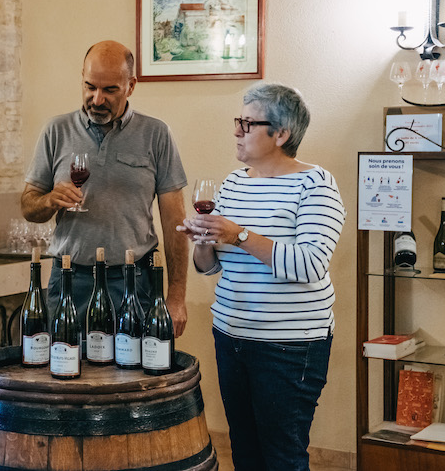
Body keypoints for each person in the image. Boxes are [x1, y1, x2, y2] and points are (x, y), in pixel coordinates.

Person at [178, 83, 346, 470]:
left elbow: (309, 264)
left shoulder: (315, 185)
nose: (236, 130)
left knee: (283, 455)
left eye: (247, 123)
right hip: (232, 336)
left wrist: (237, 233)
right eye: (238, 121)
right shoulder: (234, 183)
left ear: (281, 134)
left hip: (289, 346)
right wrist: (202, 240)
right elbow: (211, 267)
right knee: (245, 451)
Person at [22, 40, 189, 337]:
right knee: (68, 372)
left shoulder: (156, 134)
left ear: (131, 86)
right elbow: (28, 207)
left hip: (135, 278)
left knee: (136, 373)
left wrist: (176, 296)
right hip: (70, 279)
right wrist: (49, 200)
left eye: (110, 90)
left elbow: (174, 222)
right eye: (90, 87)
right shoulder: (55, 131)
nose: (97, 99)